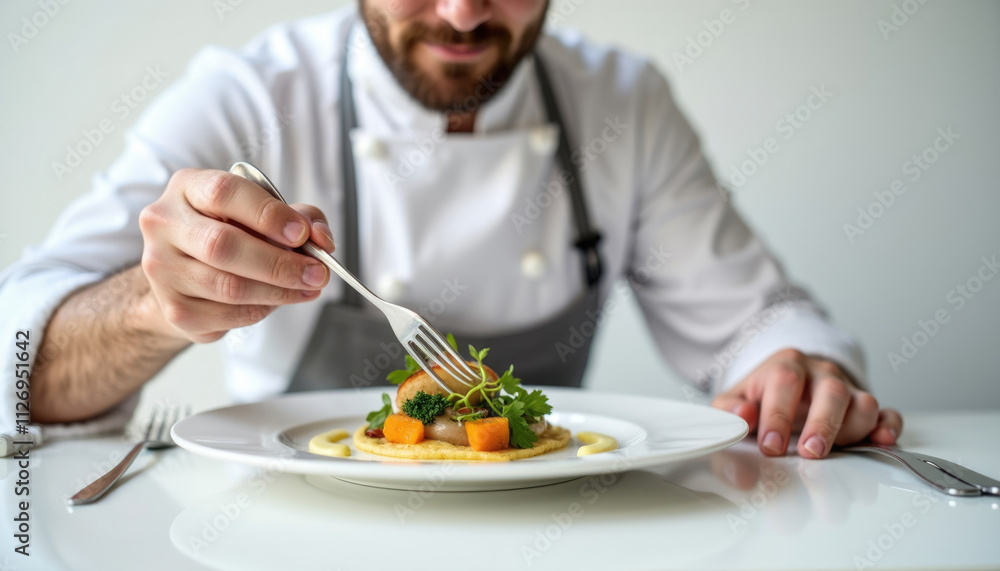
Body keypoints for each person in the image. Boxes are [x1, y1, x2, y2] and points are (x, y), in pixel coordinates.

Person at [0, 0, 902, 459]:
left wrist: (797, 374)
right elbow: (16, 367)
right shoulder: (248, 96)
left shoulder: (624, 103)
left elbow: (756, 325)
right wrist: (153, 310)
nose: (466, 14)